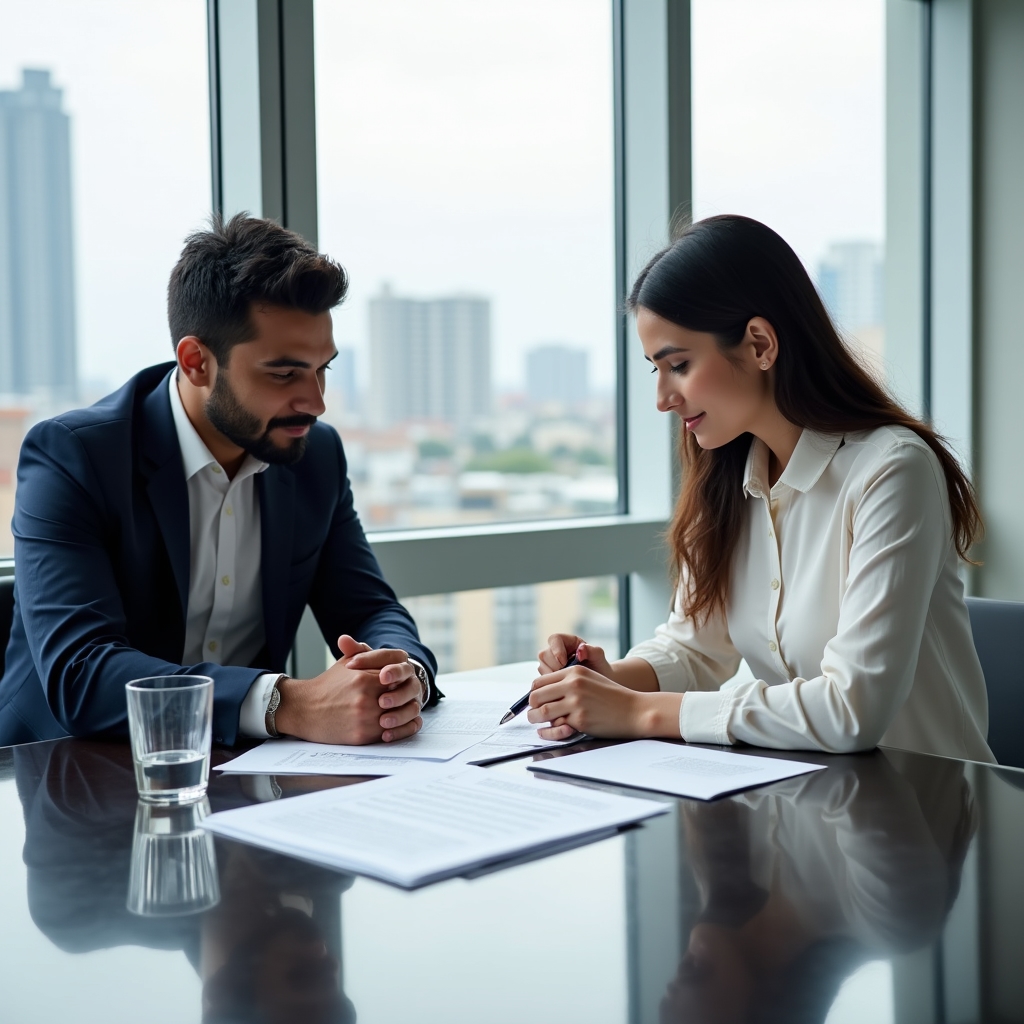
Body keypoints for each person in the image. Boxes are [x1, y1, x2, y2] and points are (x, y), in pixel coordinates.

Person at [529, 214, 992, 762]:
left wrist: (638, 713)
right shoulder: (727, 478)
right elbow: (695, 648)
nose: (663, 398)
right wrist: (607, 679)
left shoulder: (891, 470)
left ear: (759, 344)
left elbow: (853, 709)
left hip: (931, 817)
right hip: (807, 806)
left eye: (678, 364)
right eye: (656, 369)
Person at [0, 214, 437, 747]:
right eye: (284, 374)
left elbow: (369, 608)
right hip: (63, 771)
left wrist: (402, 675)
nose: (316, 402)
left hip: (235, 771)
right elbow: (81, 672)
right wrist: (288, 703)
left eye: (322, 369)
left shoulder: (313, 455)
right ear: (196, 361)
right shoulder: (75, 456)